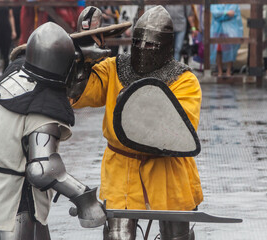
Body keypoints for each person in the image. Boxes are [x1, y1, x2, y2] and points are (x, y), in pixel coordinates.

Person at [71, 5, 203, 240]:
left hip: (168, 169)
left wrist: (136, 105)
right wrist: (83, 60)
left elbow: (176, 129)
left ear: (165, 46)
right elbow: (77, 95)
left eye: (150, 44)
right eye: (138, 42)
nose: (142, 48)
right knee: (118, 236)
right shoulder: (114, 67)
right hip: (122, 167)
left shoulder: (185, 80)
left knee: (177, 235)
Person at [0, 22, 106, 240]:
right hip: (15, 200)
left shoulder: (15, 77)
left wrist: (75, 49)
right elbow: (43, 169)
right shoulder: (43, 108)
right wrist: (85, 199)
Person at [210, 4, 243, 77]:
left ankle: (228, 71)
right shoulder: (215, 3)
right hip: (217, 30)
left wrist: (221, 14)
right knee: (218, 51)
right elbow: (215, 13)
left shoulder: (233, 3)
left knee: (229, 50)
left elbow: (233, 13)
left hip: (229, 30)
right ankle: (220, 72)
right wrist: (226, 13)